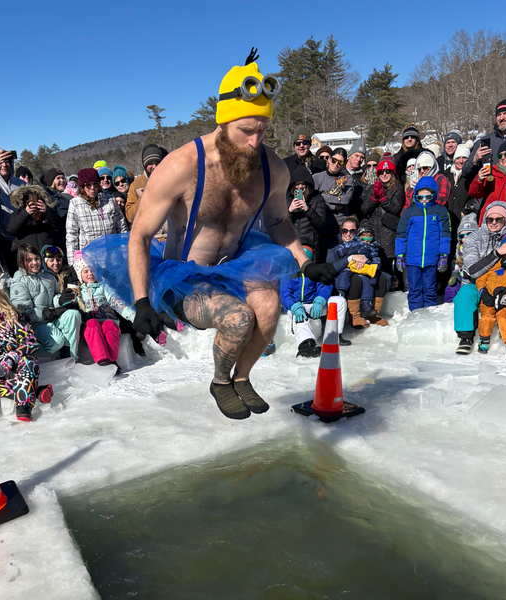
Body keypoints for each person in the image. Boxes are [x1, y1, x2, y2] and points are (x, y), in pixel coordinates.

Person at [89, 56, 336, 420]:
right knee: (238, 319)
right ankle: (221, 382)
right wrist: (142, 301)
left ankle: (242, 378)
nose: (255, 141)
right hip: (182, 276)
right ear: (223, 121)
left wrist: (305, 261)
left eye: (262, 131)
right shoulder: (181, 166)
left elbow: (279, 221)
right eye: (246, 130)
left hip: (235, 265)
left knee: (268, 309)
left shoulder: (273, 169)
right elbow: (139, 234)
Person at [0, 288, 52, 422]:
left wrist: (13, 356)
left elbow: (31, 342)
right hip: (3, 367)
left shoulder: (14, 318)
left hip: (22, 361)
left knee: (28, 363)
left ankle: (24, 409)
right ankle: (37, 392)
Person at [453, 202, 506, 353]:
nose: (494, 223)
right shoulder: (473, 239)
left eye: (499, 219)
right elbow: (473, 270)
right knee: (465, 294)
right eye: (490, 219)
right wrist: (497, 253)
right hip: (476, 283)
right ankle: (466, 337)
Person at [11, 244, 81, 359]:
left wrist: (60, 300)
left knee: (73, 315)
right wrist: (45, 313)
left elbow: (54, 296)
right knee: (57, 341)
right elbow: (23, 310)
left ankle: (71, 357)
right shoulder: (19, 281)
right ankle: (36, 357)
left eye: (36, 259)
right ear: (21, 262)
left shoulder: (48, 276)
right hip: (34, 325)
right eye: (29, 260)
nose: (35, 263)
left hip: (50, 318)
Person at [72, 251, 136, 371]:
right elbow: (61, 301)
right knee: (92, 323)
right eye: (85, 271)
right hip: (89, 330)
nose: (90, 274)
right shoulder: (78, 292)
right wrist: (59, 300)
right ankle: (103, 360)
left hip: (108, 322)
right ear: (80, 274)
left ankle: (112, 360)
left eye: (92, 270)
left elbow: (116, 302)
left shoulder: (103, 287)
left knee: (109, 324)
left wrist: (133, 316)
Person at [280, 247, 349, 358]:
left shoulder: (313, 273)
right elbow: (285, 294)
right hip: (296, 307)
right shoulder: (287, 275)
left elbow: (325, 287)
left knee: (339, 301)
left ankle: (336, 335)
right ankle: (306, 345)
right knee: (300, 318)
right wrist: (294, 306)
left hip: (314, 304)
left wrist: (320, 301)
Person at [395, 177, 451, 311]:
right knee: (414, 289)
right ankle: (415, 315)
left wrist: (444, 255)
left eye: (428, 196)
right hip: (413, 259)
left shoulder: (440, 211)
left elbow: (445, 235)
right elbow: (401, 235)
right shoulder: (410, 212)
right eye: (420, 197)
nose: (424, 200)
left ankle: (428, 317)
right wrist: (399, 255)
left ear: (434, 195)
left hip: (431, 259)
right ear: (416, 196)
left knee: (430, 289)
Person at [328, 221, 389, 327]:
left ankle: (373, 313)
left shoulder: (366, 247)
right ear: (340, 232)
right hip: (344, 277)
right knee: (356, 280)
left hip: (364, 273)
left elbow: (376, 261)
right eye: (344, 231)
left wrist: (366, 260)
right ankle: (354, 316)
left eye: (352, 231)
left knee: (381, 277)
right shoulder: (334, 249)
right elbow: (331, 268)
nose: (348, 234)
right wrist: (350, 259)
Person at [66, 168, 125, 264]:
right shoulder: (75, 204)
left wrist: (124, 251)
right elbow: (71, 236)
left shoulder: (110, 199)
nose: (92, 188)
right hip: (90, 259)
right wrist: (73, 263)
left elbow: (121, 226)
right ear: (82, 186)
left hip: (114, 256)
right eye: (88, 185)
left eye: (95, 184)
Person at [475, 231, 506, 357]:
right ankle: (484, 339)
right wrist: (483, 292)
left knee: (503, 318)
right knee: (486, 318)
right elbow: (480, 279)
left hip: (504, 300)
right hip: (488, 297)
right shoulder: (494, 264)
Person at [361, 155, 404, 278]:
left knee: (388, 268)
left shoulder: (397, 188)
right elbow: (364, 209)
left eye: (388, 171)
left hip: (389, 234)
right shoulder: (372, 187)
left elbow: (395, 209)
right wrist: (374, 198)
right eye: (381, 172)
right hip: (373, 232)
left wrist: (383, 198)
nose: (384, 174)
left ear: (392, 172)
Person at [313, 147, 354, 261]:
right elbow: (314, 200)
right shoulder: (316, 178)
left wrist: (322, 195)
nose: (336, 164)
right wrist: (334, 206)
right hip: (322, 227)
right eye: (334, 160)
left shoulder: (347, 179)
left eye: (340, 162)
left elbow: (345, 200)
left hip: (340, 229)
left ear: (344, 164)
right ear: (329, 159)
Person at [468, 139, 506, 225]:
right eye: (500, 156)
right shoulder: (492, 172)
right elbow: (474, 193)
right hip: (491, 221)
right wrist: (479, 180)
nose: (503, 158)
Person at [463, 99, 506, 177]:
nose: (502, 118)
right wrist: (474, 160)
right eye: (498, 115)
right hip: (494, 186)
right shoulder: (485, 141)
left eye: (505, 113)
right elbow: (465, 172)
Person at [7, 185, 63, 252]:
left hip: (48, 255)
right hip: (28, 255)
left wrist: (47, 211)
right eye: (27, 198)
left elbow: (60, 227)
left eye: (36, 198)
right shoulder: (19, 214)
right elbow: (11, 230)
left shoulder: (48, 213)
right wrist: (25, 213)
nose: (31, 201)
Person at [287, 167, 326, 257]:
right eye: (297, 184)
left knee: (306, 271)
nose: (300, 187)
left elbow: (321, 224)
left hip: (310, 245)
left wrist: (307, 209)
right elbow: (279, 224)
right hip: (290, 243)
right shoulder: (286, 198)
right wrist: (289, 211)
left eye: (303, 184)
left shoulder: (317, 198)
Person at [124, 144, 164, 225]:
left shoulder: (171, 179)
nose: (155, 167)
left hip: (171, 232)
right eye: (151, 163)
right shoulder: (136, 185)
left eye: (157, 163)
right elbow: (129, 216)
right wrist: (143, 197)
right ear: (144, 165)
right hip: (149, 233)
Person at [444, 214, 478, 303]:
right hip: (461, 275)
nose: (466, 238)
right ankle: (449, 306)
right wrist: (455, 273)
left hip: (475, 277)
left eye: (470, 234)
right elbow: (456, 262)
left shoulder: (480, 246)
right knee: (451, 289)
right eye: (462, 236)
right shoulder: (460, 247)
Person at [346, 139, 366, 219]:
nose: (359, 160)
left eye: (362, 157)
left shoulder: (364, 176)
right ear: (349, 155)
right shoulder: (340, 173)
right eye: (356, 155)